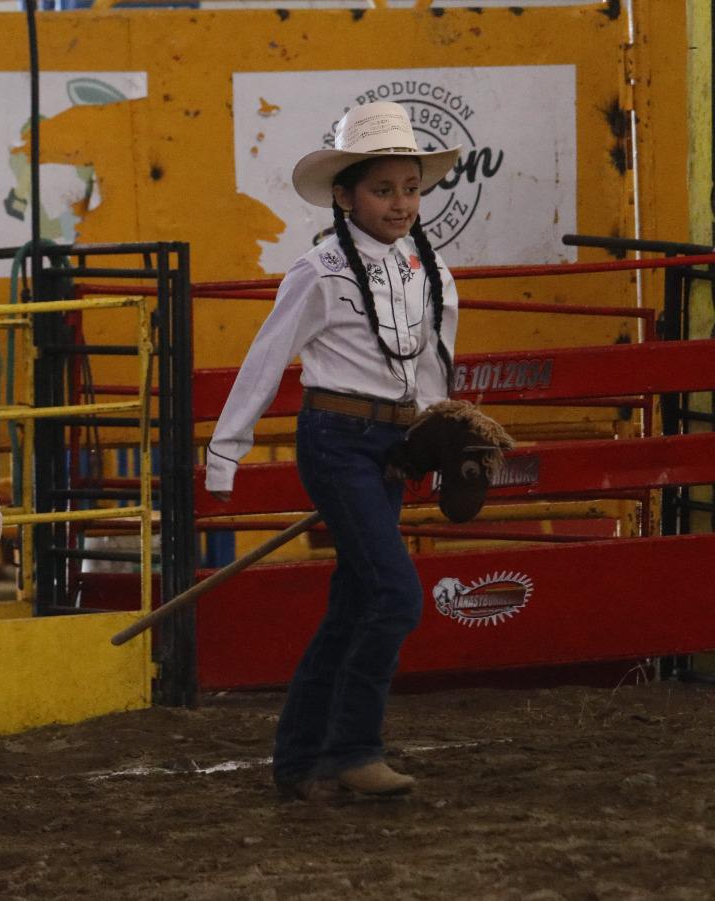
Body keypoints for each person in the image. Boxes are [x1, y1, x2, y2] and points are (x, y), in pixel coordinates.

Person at [205, 102, 463, 803]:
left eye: (410, 187)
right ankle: (353, 748)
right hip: (335, 439)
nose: (401, 202)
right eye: (384, 189)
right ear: (346, 196)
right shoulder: (318, 272)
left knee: (357, 602)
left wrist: (432, 441)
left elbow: (434, 373)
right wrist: (225, 454)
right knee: (395, 593)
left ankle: (299, 758)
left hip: (388, 448)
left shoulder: (434, 275)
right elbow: (266, 360)